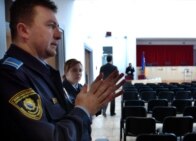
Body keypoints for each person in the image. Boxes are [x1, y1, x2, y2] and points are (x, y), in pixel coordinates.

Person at [0, 0, 125, 141]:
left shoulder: (44, 71)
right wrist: (83, 110)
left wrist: (92, 101)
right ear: (24, 30)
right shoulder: (9, 76)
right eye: (51, 26)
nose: (59, 34)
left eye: (58, 27)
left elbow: (64, 115)